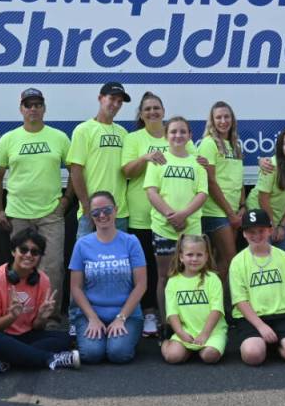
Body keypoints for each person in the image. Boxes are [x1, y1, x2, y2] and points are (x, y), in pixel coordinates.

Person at [0, 88, 71, 329]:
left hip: (50, 214)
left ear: (44, 108)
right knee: (21, 266)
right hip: (18, 213)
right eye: (28, 105)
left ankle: (50, 318)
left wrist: (66, 201)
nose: (33, 109)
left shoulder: (59, 138)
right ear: (21, 109)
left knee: (52, 266)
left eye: (37, 104)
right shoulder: (8, 139)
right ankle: (20, 316)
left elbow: (77, 170)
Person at [0, 228, 80, 371]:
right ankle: (51, 359)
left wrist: (42, 318)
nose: (28, 255)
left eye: (35, 252)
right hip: (1, 336)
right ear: (13, 252)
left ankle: (5, 364)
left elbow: (37, 327)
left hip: (25, 336)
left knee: (66, 338)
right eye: (23, 250)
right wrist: (11, 316)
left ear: (39, 257)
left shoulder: (43, 280)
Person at [68, 191, 147, 364]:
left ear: (116, 210)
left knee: (118, 353)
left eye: (107, 210)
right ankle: (101, 336)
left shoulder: (131, 242)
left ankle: (118, 337)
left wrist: (121, 318)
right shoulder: (82, 244)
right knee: (91, 354)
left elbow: (141, 285)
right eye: (96, 212)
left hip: (126, 313)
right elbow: (76, 287)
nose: (102, 215)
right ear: (90, 215)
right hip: (92, 312)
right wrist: (93, 318)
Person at [145, 116, 209, 319]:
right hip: (163, 228)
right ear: (166, 135)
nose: (178, 135)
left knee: (194, 277)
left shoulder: (198, 164)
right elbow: (152, 191)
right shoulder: (158, 161)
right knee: (165, 277)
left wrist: (183, 215)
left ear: (190, 136)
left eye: (183, 131)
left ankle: (193, 321)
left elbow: (202, 194)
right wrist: (170, 215)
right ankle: (166, 323)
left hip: (191, 231)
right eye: (173, 131)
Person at [229, 209, 285, 366]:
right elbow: (240, 300)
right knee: (253, 355)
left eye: (261, 231)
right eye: (251, 231)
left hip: (281, 315)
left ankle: (276, 346)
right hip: (251, 319)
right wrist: (261, 326)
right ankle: (263, 343)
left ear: (270, 230)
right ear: (243, 233)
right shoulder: (237, 262)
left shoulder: (283, 258)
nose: (256, 235)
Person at [121, 92, 169, 337]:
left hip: (171, 215)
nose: (152, 112)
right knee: (146, 267)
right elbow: (127, 171)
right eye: (147, 109)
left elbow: (192, 160)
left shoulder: (175, 135)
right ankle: (149, 312)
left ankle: (172, 313)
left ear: (163, 111)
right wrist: (146, 157)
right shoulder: (134, 138)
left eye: (156, 108)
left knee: (172, 267)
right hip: (141, 214)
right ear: (141, 114)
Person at [68, 82, 132, 239]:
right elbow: (75, 171)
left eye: (119, 102)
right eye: (112, 99)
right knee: (86, 261)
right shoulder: (83, 130)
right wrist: (86, 205)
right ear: (100, 98)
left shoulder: (123, 133)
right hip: (92, 211)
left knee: (118, 261)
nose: (116, 104)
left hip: (119, 212)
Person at [197, 102, 245, 284]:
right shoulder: (209, 144)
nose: (223, 121)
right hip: (216, 212)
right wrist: (231, 214)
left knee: (220, 262)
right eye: (218, 117)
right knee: (230, 260)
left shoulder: (235, 145)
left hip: (232, 211)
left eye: (227, 116)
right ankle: (219, 305)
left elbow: (239, 180)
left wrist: (242, 206)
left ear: (232, 119)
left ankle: (215, 304)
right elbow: (210, 181)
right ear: (212, 121)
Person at [161, 235, 227, 364]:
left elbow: (216, 310)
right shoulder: (173, 281)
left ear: (206, 256)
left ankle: (197, 349)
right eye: (190, 255)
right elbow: (172, 312)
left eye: (199, 255)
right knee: (173, 357)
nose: (194, 259)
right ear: (181, 257)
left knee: (210, 356)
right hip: (186, 331)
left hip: (212, 331)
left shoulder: (212, 279)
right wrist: (180, 333)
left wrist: (204, 334)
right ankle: (166, 342)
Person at [245, 127, 285, 254]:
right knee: (263, 255)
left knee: (282, 256)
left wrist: (281, 225)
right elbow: (262, 198)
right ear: (280, 146)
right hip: (259, 214)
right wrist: (272, 225)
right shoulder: (271, 165)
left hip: (279, 219)